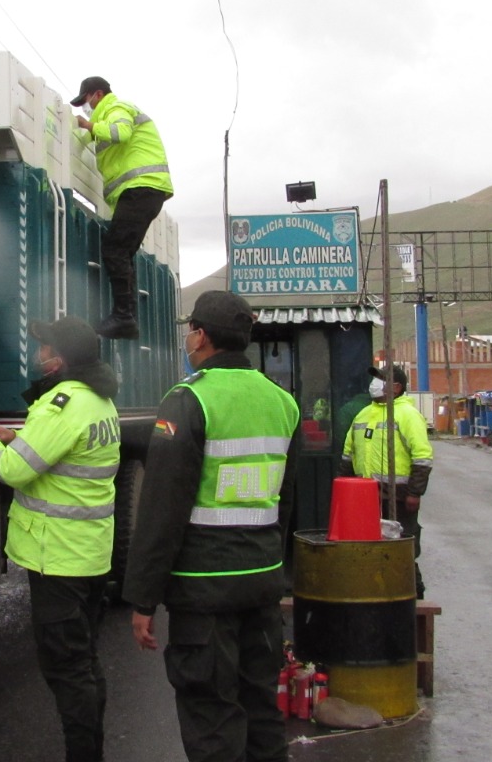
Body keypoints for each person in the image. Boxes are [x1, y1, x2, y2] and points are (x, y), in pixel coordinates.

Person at [123, 290, 300, 762]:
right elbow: (285, 501)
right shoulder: (283, 402)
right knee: (261, 708)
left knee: (211, 713)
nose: (187, 337)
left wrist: (143, 598)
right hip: (261, 584)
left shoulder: (188, 400)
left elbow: (162, 510)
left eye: (190, 330)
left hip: (204, 591)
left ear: (201, 336)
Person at [0, 315, 120, 762]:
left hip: (55, 558)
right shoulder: (99, 402)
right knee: (84, 662)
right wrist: (16, 436)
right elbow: (59, 451)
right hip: (87, 555)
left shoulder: (62, 402)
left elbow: (15, 470)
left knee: (67, 670)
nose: (39, 354)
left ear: (62, 358)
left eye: (46, 347)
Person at [70, 76, 173, 340]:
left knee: (115, 249)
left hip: (141, 188)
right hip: (144, 191)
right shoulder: (110, 115)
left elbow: (121, 133)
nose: (85, 108)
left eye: (86, 102)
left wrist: (88, 125)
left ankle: (124, 317)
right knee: (122, 252)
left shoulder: (117, 109)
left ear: (98, 94)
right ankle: (126, 318)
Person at [339, 364, 434, 599]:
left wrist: (415, 493)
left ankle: (412, 592)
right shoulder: (363, 414)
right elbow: (348, 454)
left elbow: (422, 457)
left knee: (402, 549)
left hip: (398, 496)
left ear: (397, 387)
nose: (375, 383)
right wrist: (345, 485)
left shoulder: (408, 415)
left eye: (381, 379)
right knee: (369, 549)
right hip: (366, 496)